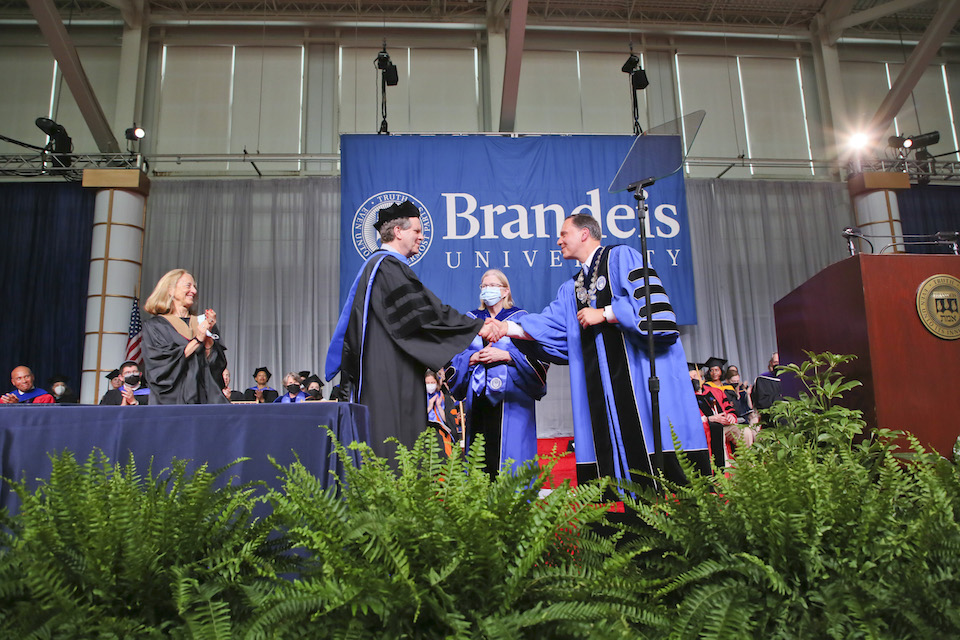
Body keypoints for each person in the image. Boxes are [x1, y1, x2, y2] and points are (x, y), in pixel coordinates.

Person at [486, 214, 710, 489]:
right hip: (603, 390)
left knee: (654, 442)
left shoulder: (621, 258)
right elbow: (550, 324)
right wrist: (505, 327)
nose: (558, 241)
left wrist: (605, 313)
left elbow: (651, 306)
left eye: (563, 234)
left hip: (637, 379)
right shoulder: (573, 287)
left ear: (584, 234)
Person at [325, 200, 490, 459]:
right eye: (417, 231)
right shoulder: (388, 267)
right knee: (394, 445)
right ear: (399, 232)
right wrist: (475, 327)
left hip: (389, 368)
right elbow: (425, 315)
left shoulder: (379, 267)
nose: (422, 237)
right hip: (389, 376)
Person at [447, 269, 548, 476]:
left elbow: (540, 357)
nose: (487, 290)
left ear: (505, 291)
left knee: (511, 455)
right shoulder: (470, 320)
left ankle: (515, 501)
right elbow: (454, 356)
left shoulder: (521, 320)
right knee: (479, 454)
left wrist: (506, 356)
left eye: (492, 286)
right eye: (483, 287)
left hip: (513, 397)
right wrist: (471, 358)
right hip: (478, 397)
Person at [141, 269, 229, 405]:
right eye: (188, 286)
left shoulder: (201, 323)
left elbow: (216, 367)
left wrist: (208, 340)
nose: (193, 291)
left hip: (204, 400)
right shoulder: (155, 326)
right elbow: (161, 367)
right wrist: (197, 340)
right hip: (172, 402)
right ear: (170, 290)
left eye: (194, 287)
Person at [425, 370, 454, 456]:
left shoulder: (445, 399)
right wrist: (430, 406)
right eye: (427, 383)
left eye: (432, 382)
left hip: (442, 433)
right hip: (427, 433)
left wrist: (439, 406)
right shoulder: (420, 398)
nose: (430, 385)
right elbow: (418, 418)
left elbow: (449, 421)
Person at [752, 351, 783, 424]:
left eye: (780, 362)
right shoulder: (762, 380)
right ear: (771, 363)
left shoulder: (792, 380)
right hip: (770, 420)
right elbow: (761, 402)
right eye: (775, 362)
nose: (778, 365)